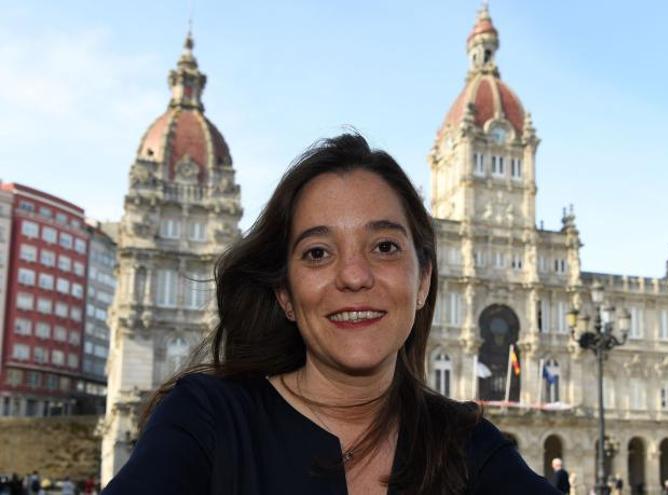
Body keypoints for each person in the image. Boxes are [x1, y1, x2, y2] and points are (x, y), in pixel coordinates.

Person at [103, 134, 558, 494]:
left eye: (384, 246)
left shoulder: (466, 443)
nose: (354, 276)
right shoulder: (207, 422)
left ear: (423, 282)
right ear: (285, 294)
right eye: (318, 252)